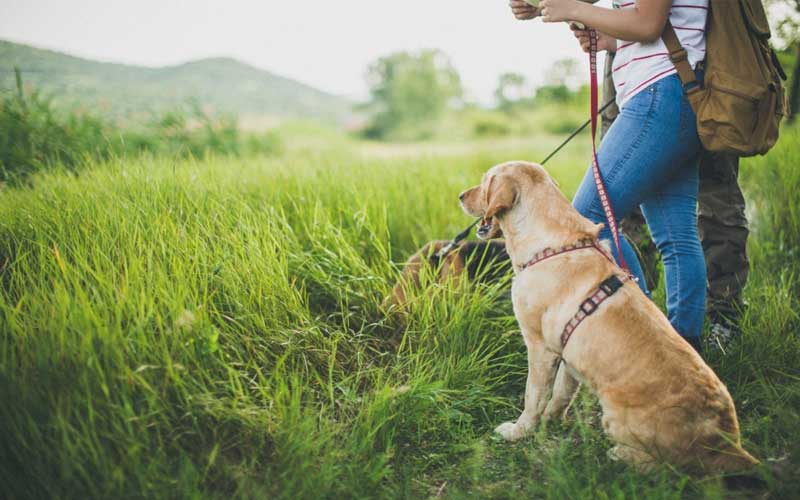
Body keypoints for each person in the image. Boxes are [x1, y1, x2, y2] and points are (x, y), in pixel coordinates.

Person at [509, 0, 749, 352]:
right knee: (676, 237)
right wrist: (607, 38)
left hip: (659, 95)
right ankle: (681, 354)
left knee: (586, 221)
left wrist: (573, 7)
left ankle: (645, 338)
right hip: (672, 92)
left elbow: (647, 24)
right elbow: (655, 27)